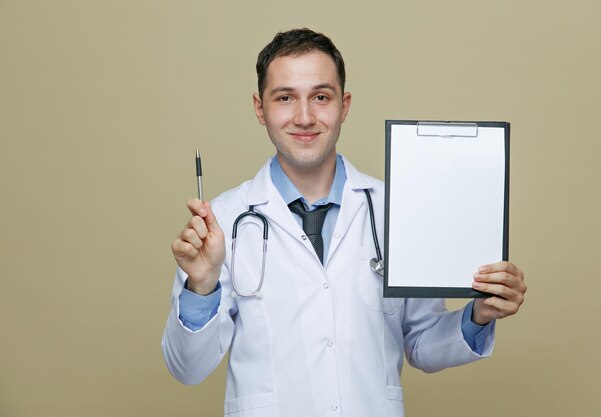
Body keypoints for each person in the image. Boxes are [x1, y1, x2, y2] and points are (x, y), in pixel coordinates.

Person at [162, 28, 526, 417]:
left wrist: (479, 315)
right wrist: (201, 288)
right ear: (259, 107)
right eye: (285, 98)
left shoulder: (395, 210)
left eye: (321, 97)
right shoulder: (224, 221)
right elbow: (188, 368)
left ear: (344, 105)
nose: (304, 117)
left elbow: (422, 343)